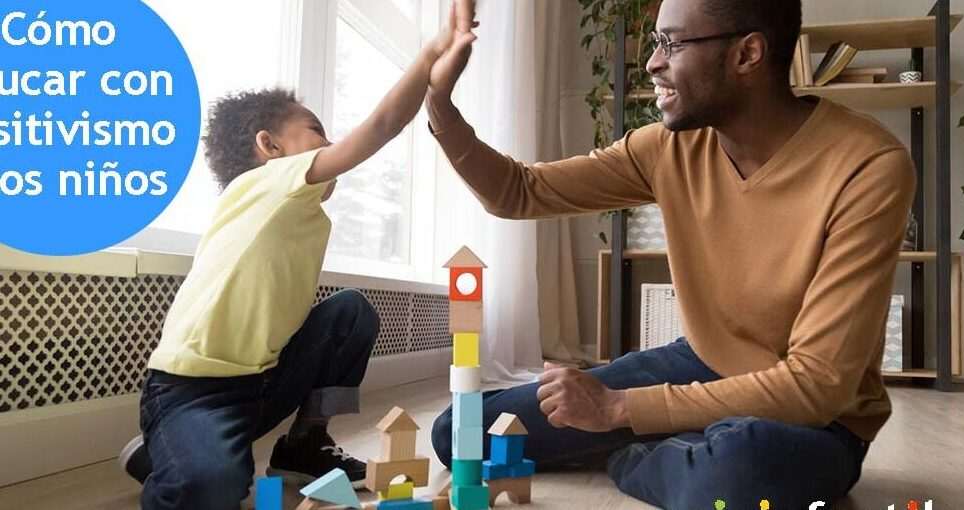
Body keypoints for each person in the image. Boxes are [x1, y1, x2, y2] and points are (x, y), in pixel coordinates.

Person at [426, 0, 914, 508]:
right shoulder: (668, 148)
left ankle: (637, 450)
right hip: (701, 362)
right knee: (461, 433)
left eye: (671, 44)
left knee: (738, 475)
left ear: (747, 54)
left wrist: (620, 410)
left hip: (819, 417)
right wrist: (440, 103)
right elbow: (518, 191)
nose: (653, 63)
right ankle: (678, 438)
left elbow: (817, 384)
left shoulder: (868, 165)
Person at [117, 2, 477, 508]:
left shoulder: (297, 209)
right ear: (270, 147)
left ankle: (304, 444)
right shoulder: (266, 182)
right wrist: (431, 52)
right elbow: (379, 127)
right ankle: (172, 455)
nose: (329, 146)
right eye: (315, 132)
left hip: (259, 384)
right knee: (216, 488)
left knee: (349, 311)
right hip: (191, 391)